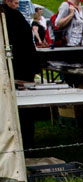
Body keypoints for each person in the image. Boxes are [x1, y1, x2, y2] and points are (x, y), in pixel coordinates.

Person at [2, 0, 39, 149]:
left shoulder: (15, 15)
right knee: (21, 111)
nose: (17, 2)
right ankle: (24, 142)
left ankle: (27, 142)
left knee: (25, 110)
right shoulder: (7, 16)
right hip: (18, 67)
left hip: (22, 66)